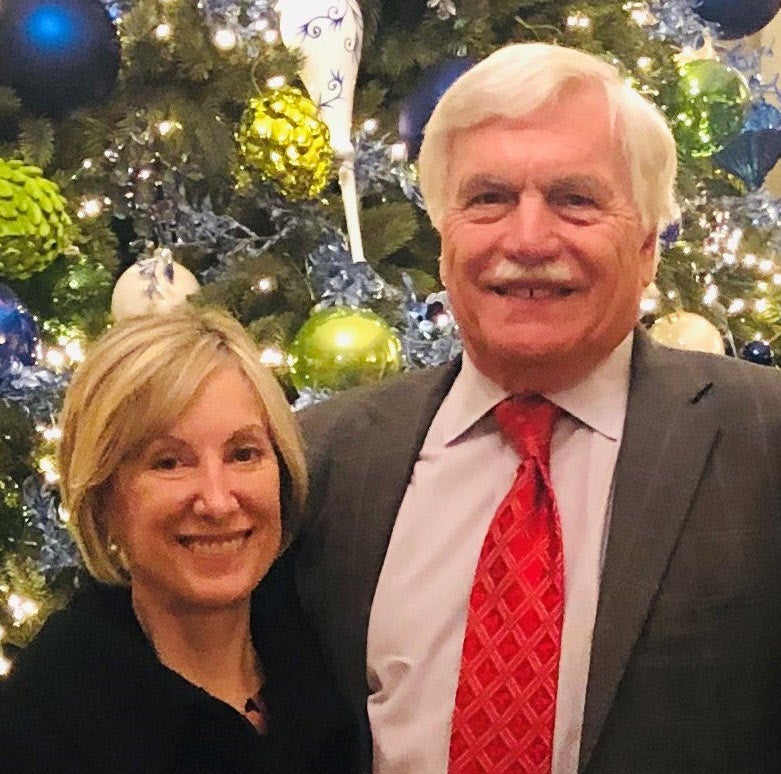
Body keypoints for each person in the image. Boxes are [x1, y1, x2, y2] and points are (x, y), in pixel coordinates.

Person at [294, 43, 781, 774]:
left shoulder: (764, 442)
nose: (527, 240)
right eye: (488, 198)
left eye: (575, 200)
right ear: (442, 237)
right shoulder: (323, 461)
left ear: (647, 246)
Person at [0, 306, 356, 773]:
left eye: (243, 454)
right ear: (102, 498)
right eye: (169, 462)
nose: (218, 502)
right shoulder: (44, 724)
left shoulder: (333, 659)